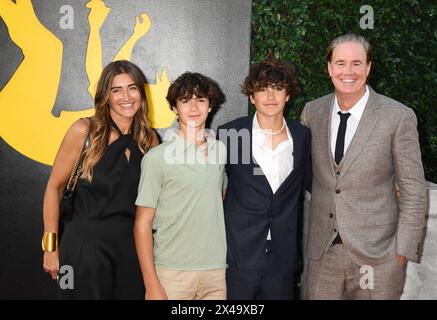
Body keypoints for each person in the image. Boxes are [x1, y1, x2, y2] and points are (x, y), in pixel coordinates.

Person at [301, 33, 427, 299]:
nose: (348, 71)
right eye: (340, 63)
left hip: (379, 258)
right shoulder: (312, 112)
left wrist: (402, 253)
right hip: (323, 256)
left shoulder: (398, 117)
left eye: (357, 63)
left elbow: (414, 191)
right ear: (329, 68)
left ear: (368, 68)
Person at [42, 60, 159, 299]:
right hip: (84, 248)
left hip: (132, 250)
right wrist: (50, 248)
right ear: (105, 96)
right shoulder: (84, 130)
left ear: (141, 93)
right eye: (116, 90)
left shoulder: (150, 140)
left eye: (132, 88)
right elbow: (54, 188)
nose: (126, 96)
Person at [217, 59, 311, 300]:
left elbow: (313, 184)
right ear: (251, 96)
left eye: (277, 88)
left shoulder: (301, 137)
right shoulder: (232, 135)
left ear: (288, 95)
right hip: (239, 257)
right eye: (262, 88)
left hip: (282, 259)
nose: (270, 95)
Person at [134, 72, 227, 300]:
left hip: (215, 273)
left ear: (210, 105)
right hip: (171, 273)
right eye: (185, 100)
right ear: (175, 108)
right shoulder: (157, 158)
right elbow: (142, 224)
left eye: (201, 100)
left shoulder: (220, 151)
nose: (194, 107)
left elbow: (218, 196)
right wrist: (151, 284)